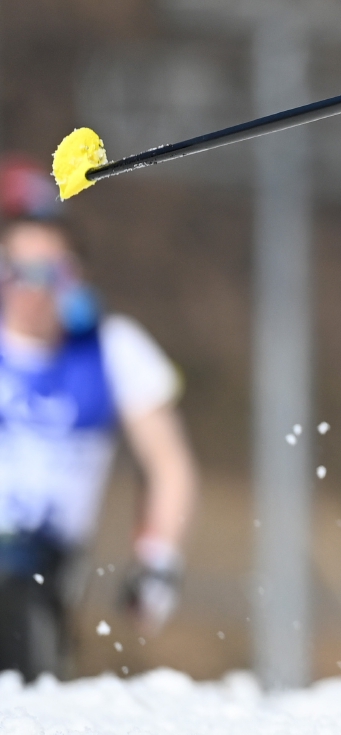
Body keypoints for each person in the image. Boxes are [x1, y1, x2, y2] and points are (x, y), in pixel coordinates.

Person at [0, 184, 198, 680]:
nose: (33, 288)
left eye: (52, 274)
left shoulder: (113, 348)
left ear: (78, 279)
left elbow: (169, 464)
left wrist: (158, 561)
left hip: (43, 573)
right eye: (17, 272)